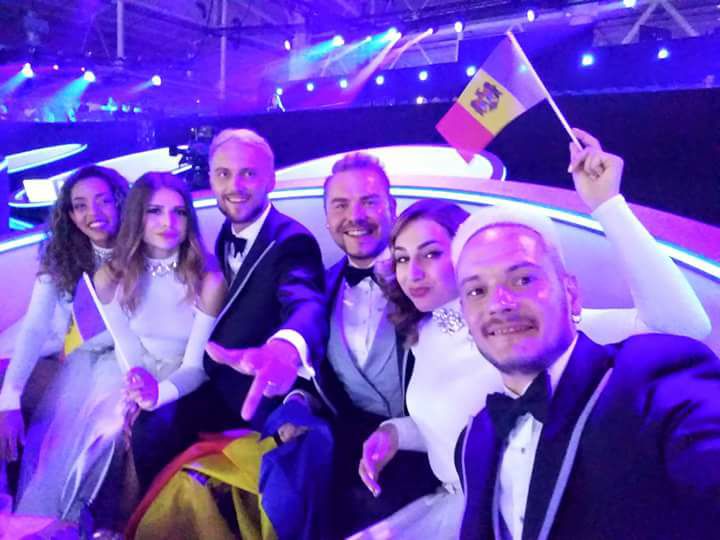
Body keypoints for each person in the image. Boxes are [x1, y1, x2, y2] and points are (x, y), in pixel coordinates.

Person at [352, 129, 711, 539]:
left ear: (570, 294)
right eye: (401, 259)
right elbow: (443, 422)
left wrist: (609, 206)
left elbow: (683, 329)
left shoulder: (550, 327)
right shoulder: (424, 332)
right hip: (470, 505)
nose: (500, 303)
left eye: (431, 254)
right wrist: (395, 433)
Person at [452, 197, 720, 540]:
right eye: (477, 290)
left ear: (571, 293)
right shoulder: (475, 438)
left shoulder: (652, 375)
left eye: (522, 279)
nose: (499, 304)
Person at [14, 172, 225, 526]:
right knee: (100, 426)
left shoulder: (208, 278)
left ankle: (113, 527)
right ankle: (67, 525)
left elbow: (196, 366)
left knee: (119, 434)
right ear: (137, 215)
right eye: (154, 211)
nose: (168, 223)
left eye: (178, 212)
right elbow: (129, 349)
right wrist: (136, 387)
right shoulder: (112, 275)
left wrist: (154, 396)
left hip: (181, 381)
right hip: (134, 371)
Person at [130, 128, 327, 493]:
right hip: (214, 384)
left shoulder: (292, 241)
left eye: (248, 173)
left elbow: (306, 303)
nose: (234, 186)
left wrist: (285, 346)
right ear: (211, 179)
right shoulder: (224, 233)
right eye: (223, 174)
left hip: (260, 393)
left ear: (271, 180)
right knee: (149, 427)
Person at [312, 152, 439, 536]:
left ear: (391, 207)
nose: (355, 216)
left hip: (428, 448)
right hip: (349, 446)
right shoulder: (319, 288)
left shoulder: (428, 277)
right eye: (340, 205)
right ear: (327, 217)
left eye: (368, 201)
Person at [0, 166, 128, 469]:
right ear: (70, 215)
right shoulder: (61, 256)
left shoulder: (145, 249)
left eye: (103, 200)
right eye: (80, 206)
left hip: (119, 369)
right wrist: (9, 401)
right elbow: (35, 326)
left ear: (120, 202)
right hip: (65, 359)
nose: (93, 213)